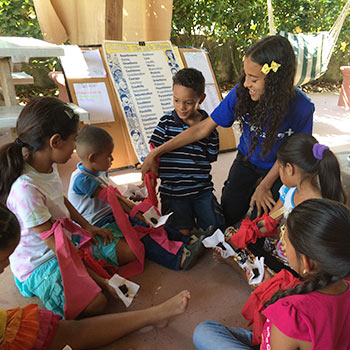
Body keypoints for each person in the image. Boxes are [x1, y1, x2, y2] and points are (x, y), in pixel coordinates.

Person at [142, 35, 315, 227]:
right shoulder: (242, 92)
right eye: (246, 75)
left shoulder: (302, 108)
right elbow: (202, 129)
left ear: (275, 81)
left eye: (254, 79)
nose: (247, 83)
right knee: (229, 215)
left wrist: (265, 185)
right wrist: (157, 152)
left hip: (279, 166)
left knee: (260, 221)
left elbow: (293, 154)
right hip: (247, 160)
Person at [0, 97, 139, 319]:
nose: (75, 148)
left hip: (67, 243)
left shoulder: (47, 165)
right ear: (55, 142)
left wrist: (87, 227)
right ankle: (54, 286)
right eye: (74, 141)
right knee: (96, 303)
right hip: (41, 264)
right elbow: (58, 249)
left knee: (129, 252)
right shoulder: (26, 190)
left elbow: (60, 199)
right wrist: (100, 279)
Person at [0, 203, 191, 350]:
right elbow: (65, 254)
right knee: (91, 306)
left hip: (58, 255)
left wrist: (102, 281)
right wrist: (102, 282)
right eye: (2, 260)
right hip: (43, 267)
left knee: (66, 330)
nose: (7, 265)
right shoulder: (28, 194)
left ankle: (154, 315)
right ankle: (154, 315)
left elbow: (68, 252)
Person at [193, 198, 350, 349]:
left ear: (306, 262)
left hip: (282, 338)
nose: (282, 242)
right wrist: (268, 287)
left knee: (203, 333)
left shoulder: (291, 317)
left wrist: (266, 295)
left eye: (284, 238)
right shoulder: (344, 283)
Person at [68, 125, 206, 271]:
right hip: (101, 224)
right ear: (93, 157)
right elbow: (116, 201)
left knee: (153, 224)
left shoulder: (97, 171)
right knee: (143, 233)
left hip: (112, 216)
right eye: (109, 155)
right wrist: (139, 215)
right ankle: (179, 258)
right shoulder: (83, 179)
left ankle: (189, 241)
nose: (112, 158)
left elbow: (115, 198)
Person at [219, 133, 347, 280]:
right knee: (247, 247)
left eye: (279, 167)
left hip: (301, 265)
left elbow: (314, 258)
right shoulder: (289, 191)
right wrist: (241, 236)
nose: (278, 173)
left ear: (289, 168)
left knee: (268, 279)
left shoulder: (318, 207)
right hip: (282, 250)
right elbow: (269, 222)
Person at [149, 67, 224, 236]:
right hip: (173, 192)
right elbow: (153, 152)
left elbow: (211, 157)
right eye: (176, 100)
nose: (181, 107)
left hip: (201, 190)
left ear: (201, 99)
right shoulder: (166, 122)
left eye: (188, 102)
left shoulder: (209, 127)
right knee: (181, 233)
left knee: (215, 230)